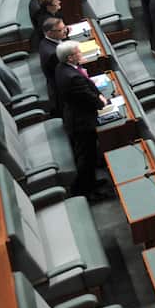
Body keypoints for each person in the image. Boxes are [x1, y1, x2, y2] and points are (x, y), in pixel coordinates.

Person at [53, 41, 110, 199]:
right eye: (79, 52)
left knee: (86, 155)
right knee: (87, 157)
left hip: (75, 115)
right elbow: (89, 97)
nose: (81, 54)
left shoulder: (61, 67)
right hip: (82, 122)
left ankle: (90, 183)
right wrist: (101, 101)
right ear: (70, 57)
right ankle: (88, 192)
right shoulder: (72, 78)